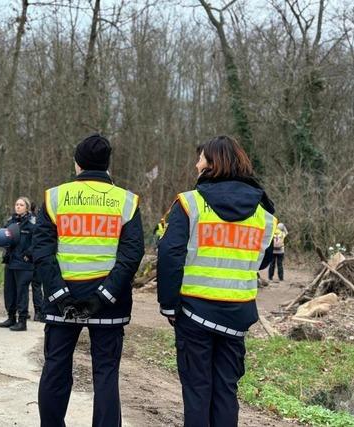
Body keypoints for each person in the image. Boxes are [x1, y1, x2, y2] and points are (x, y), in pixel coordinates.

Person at [157, 135, 276, 427]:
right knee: (226, 391)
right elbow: (263, 260)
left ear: (212, 163)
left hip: (195, 312)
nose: (196, 164)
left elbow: (170, 256)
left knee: (197, 390)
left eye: (201, 158)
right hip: (237, 315)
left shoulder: (189, 203)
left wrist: (168, 305)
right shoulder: (264, 212)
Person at [34, 134, 145, 426]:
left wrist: (58, 294)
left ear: (77, 163)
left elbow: (42, 251)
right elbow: (131, 254)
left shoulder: (53, 197)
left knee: (56, 368)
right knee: (106, 373)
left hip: (63, 301)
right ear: (108, 165)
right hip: (109, 302)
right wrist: (104, 296)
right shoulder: (126, 201)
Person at [0, 197, 36, 331]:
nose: (18, 207)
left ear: (27, 207)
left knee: (21, 292)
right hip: (10, 261)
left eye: (21, 205)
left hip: (24, 265)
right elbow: (3, 238)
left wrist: (28, 254)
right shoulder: (10, 222)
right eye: (16, 204)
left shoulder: (32, 223)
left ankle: (22, 321)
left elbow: (37, 242)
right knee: (9, 291)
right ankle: (11, 317)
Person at [29, 202, 44, 321]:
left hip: (36, 258)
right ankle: (38, 311)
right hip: (30, 257)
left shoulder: (36, 222)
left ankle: (39, 311)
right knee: (35, 285)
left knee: (36, 285)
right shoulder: (33, 221)